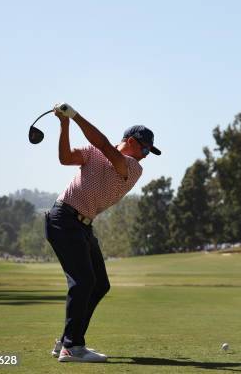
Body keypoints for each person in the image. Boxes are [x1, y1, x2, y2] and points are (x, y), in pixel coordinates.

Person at [44, 103, 161, 363]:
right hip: (63, 218)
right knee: (84, 281)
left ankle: (67, 340)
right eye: (144, 148)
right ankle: (72, 347)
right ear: (131, 141)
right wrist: (64, 124)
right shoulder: (93, 153)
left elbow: (107, 147)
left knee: (99, 284)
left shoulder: (132, 167)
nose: (145, 155)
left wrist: (74, 116)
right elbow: (65, 158)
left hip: (82, 225)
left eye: (149, 152)